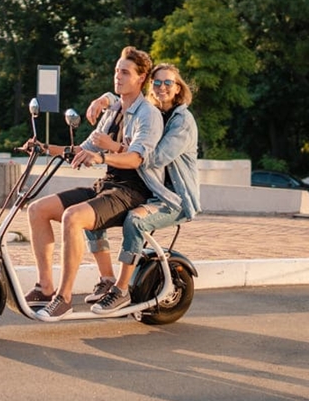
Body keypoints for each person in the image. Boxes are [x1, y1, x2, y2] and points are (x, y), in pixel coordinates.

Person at [22, 46, 168, 321]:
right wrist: (44, 147)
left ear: (141, 78)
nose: (118, 77)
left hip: (132, 190)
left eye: (125, 72)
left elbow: (136, 158)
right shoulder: (113, 111)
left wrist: (102, 156)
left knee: (72, 217)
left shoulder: (148, 114)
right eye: (116, 71)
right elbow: (82, 149)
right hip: (107, 185)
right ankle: (45, 287)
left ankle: (64, 298)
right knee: (37, 209)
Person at [81, 63, 201, 314]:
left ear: (178, 88)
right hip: (150, 192)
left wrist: (114, 147)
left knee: (134, 221)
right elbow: (123, 99)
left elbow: (154, 158)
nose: (162, 87)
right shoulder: (152, 112)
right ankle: (107, 281)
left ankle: (121, 290)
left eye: (168, 82)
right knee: (90, 214)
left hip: (174, 199)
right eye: (157, 82)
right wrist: (103, 99)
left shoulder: (182, 121)